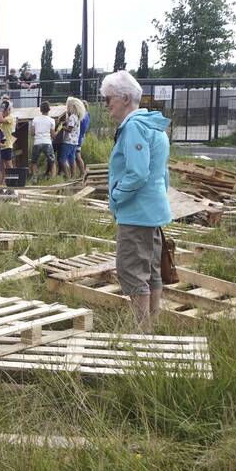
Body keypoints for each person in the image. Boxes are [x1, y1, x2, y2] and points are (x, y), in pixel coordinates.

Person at [102, 70, 171, 332]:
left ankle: (142, 331)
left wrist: (117, 197)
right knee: (151, 271)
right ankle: (151, 328)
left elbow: (138, 173)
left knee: (131, 271)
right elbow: (163, 172)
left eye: (108, 99)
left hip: (136, 212)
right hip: (152, 210)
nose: (106, 105)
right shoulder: (153, 124)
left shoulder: (134, 127)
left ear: (125, 98)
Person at [29, 101, 56, 180]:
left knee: (34, 161)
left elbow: (32, 133)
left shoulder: (35, 120)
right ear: (49, 109)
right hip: (47, 142)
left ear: (40, 110)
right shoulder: (52, 120)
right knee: (52, 161)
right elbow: (53, 135)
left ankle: (35, 177)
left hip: (37, 142)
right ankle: (53, 178)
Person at [59, 98, 83, 178]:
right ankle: (73, 176)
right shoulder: (77, 117)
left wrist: (62, 127)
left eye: (68, 106)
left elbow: (70, 129)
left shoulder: (72, 117)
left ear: (72, 107)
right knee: (71, 159)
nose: (67, 108)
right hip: (75, 142)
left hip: (68, 141)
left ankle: (67, 176)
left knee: (62, 159)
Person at [0, 95, 16, 183]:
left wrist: (1, 110)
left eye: (6, 110)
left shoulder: (10, 117)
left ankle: (12, 182)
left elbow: (0, 120)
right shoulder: (2, 117)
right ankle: (2, 183)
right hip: (1, 145)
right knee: (2, 167)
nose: (4, 112)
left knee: (9, 166)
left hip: (7, 145)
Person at [75, 99, 91, 177]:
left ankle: (82, 172)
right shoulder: (87, 115)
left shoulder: (83, 116)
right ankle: (82, 172)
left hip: (78, 138)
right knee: (77, 155)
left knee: (77, 155)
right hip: (81, 137)